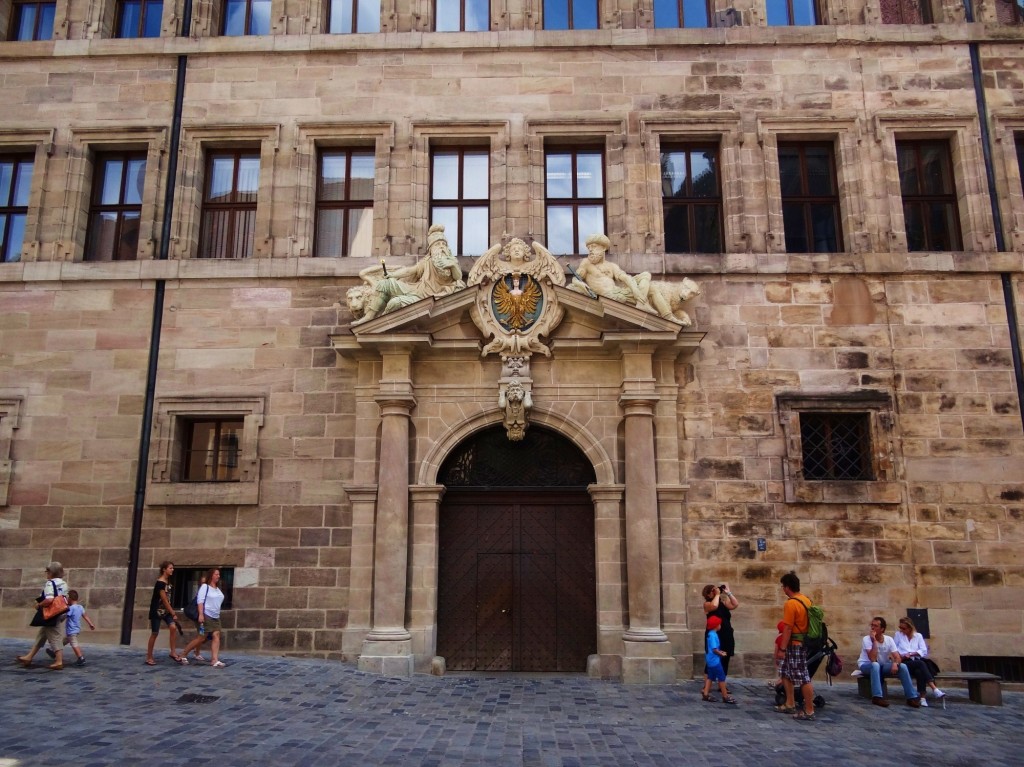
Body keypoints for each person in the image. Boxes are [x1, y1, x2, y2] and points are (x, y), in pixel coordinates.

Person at [351, 224, 466, 324]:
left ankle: (381, 322)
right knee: (384, 284)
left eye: (443, 243)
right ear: (431, 249)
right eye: (437, 244)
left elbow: (458, 277)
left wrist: (452, 265)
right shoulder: (427, 261)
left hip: (428, 299)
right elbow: (409, 271)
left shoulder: (452, 261)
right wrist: (393, 275)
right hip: (418, 291)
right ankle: (369, 317)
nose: (441, 246)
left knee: (394, 303)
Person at [569, 234, 675, 320]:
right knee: (650, 288)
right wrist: (581, 284)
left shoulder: (612, 266)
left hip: (617, 292)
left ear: (603, 248)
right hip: (607, 296)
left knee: (647, 277)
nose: (591, 250)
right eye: (589, 248)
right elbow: (575, 278)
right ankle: (642, 304)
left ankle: (667, 316)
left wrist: (635, 291)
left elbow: (625, 278)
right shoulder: (586, 263)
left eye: (594, 247)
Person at [775, 571, 817, 721]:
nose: (783, 589)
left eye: (783, 587)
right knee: (785, 672)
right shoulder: (806, 600)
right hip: (803, 642)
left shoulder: (791, 603)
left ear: (787, 587)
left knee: (803, 678)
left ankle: (809, 710)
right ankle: (790, 703)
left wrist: (782, 648)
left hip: (795, 644)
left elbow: (787, 628)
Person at [857, 616, 922, 708]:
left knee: (902, 666)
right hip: (866, 665)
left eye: (875, 626)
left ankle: (911, 697)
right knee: (875, 665)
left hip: (882, 665)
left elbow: (897, 657)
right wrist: (874, 641)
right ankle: (877, 697)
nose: (872, 628)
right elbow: (872, 658)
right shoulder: (867, 639)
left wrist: (895, 663)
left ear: (882, 629)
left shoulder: (889, 640)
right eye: (872, 625)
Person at [16, 561, 69, 670]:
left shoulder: (50, 583)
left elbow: (49, 599)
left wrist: (39, 604)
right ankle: (29, 657)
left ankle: (59, 661)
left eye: (47, 572)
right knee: (42, 635)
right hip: (60, 612)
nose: (46, 574)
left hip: (51, 613)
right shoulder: (64, 583)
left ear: (51, 572)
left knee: (55, 636)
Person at [181, 568, 226, 668]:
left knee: (216, 635)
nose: (218, 576)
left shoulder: (217, 588)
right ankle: (183, 654)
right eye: (216, 574)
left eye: (219, 574)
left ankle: (214, 659)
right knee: (201, 637)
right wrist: (201, 614)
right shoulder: (205, 587)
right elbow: (200, 601)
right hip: (206, 615)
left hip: (215, 616)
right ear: (211, 575)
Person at [894, 616, 944, 706]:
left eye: (903, 628)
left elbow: (923, 650)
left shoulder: (918, 636)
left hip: (915, 661)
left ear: (910, 628)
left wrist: (912, 654)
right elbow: (894, 649)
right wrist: (902, 655)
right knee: (921, 664)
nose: (901, 630)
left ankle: (922, 698)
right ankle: (934, 688)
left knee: (919, 671)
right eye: (900, 627)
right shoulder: (898, 635)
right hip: (904, 662)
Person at [146, 561, 182, 666]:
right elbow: (164, 600)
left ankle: (173, 652)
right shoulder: (160, 583)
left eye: (172, 568)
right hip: (157, 610)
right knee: (155, 633)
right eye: (170, 568)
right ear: (164, 569)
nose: (172, 570)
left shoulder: (168, 581)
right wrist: (173, 612)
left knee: (173, 627)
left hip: (166, 611)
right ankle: (149, 656)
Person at [702, 583, 739, 677]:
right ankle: (707, 684)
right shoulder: (707, 604)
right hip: (715, 634)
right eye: (713, 591)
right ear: (708, 594)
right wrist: (717, 594)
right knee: (712, 657)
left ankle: (722, 683)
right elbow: (714, 606)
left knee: (725, 657)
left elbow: (735, 604)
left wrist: (728, 593)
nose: (715, 592)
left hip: (726, 633)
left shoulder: (723, 603)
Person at [702, 615, 737, 704]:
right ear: (716, 626)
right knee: (721, 678)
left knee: (710, 677)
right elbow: (714, 649)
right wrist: (721, 653)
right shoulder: (713, 635)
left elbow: (712, 648)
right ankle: (725, 696)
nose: (720, 625)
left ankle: (706, 694)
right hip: (715, 661)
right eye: (719, 624)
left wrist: (720, 651)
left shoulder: (710, 634)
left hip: (710, 660)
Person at [62, 590, 95, 666]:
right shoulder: (80, 607)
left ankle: (81, 658)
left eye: (67, 598)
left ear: (70, 599)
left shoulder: (71, 608)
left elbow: (65, 616)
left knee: (74, 643)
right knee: (65, 640)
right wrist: (91, 624)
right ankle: (54, 651)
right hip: (77, 629)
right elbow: (85, 616)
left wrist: (59, 619)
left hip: (71, 629)